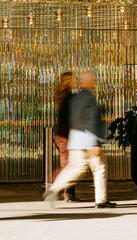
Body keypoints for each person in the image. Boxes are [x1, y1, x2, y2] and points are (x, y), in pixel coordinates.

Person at [43, 70, 116, 208]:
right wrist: (95, 142)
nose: (94, 82)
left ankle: (53, 189)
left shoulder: (75, 98)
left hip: (75, 141)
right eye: (93, 80)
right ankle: (101, 201)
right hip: (89, 140)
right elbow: (91, 121)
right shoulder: (89, 97)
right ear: (89, 82)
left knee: (74, 169)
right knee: (100, 168)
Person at [52, 71, 80, 202]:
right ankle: (54, 187)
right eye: (73, 80)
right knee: (70, 165)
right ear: (68, 81)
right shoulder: (68, 97)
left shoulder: (61, 96)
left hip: (62, 134)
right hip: (66, 135)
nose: (74, 82)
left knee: (69, 164)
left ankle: (68, 192)